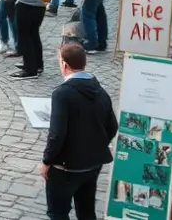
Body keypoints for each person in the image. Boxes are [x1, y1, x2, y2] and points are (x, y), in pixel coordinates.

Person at [41, 43, 116, 220]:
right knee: (86, 211)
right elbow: (112, 126)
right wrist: (95, 146)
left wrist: (46, 161)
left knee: (58, 212)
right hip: (92, 165)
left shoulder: (62, 94)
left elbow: (57, 134)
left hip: (66, 168)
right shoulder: (100, 90)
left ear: (64, 65)